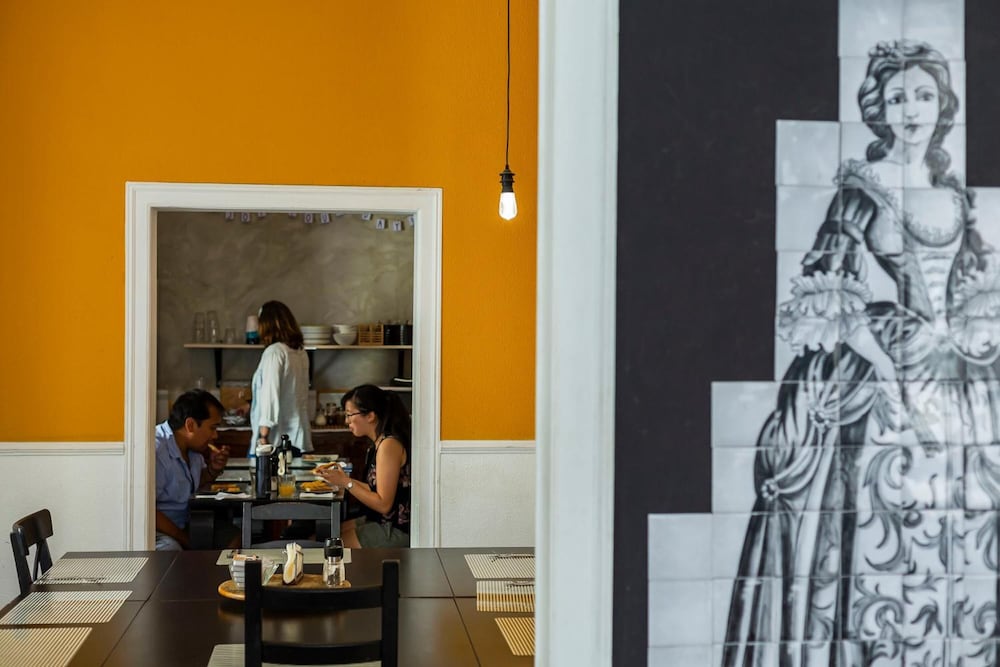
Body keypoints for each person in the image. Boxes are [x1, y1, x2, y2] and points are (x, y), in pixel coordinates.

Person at [724, 40, 1000, 666]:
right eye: (898, 98)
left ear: (942, 105)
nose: (912, 110)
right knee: (876, 521)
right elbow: (825, 297)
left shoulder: (954, 195)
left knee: (967, 515)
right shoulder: (861, 192)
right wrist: (884, 369)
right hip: (884, 362)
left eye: (924, 96)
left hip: (957, 369)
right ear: (879, 109)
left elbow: (972, 286)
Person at [315, 384, 411, 548]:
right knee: (325, 535)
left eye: (349, 415)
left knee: (327, 547)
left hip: (394, 529)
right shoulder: (379, 443)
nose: (346, 421)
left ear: (370, 416)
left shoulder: (388, 445)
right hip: (380, 521)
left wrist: (346, 483)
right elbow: (376, 489)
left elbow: (383, 504)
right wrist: (341, 479)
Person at [154, 389, 229, 551]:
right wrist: (185, 540)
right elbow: (147, 510)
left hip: (189, 522)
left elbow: (191, 484)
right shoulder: (157, 450)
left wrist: (213, 470)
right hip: (159, 531)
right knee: (172, 551)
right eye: (212, 428)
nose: (215, 436)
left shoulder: (194, 451)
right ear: (190, 425)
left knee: (234, 539)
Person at [248, 301, 313, 456]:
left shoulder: (274, 352)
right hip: (298, 435)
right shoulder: (300, 352)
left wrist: (263, 435)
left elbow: (270, 394)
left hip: (275, 439)